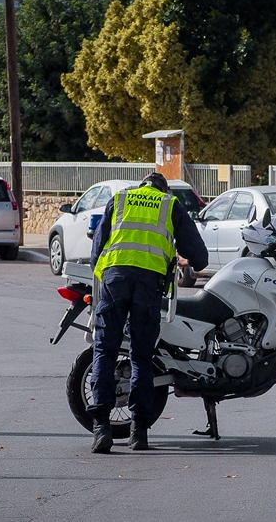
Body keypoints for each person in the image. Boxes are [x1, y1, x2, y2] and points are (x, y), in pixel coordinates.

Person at [86, 172, 208, 453]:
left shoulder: (120, 198)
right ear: (162, 188)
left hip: (115, 280)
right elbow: (199, 256)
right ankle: (139, 432)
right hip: (148, 285)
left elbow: (97, 248)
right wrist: (187, 258)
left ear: (142, 186)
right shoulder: (169, 204)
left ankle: (101, 429)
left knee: (105, 351)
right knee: (141, 356)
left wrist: (104, 275)